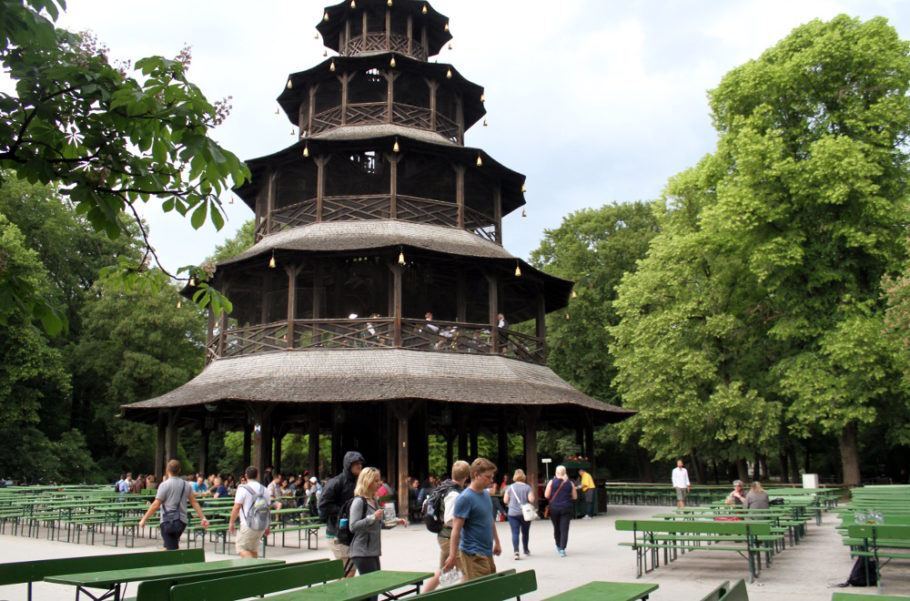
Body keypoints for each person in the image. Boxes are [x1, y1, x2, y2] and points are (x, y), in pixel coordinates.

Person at [349, 467, 407, 601]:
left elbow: (379, 523)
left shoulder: (374, 501)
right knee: (372, 591)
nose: (380, 483)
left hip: (373, 551)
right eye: (376, 480)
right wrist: (372, 517)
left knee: (371, 590)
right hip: (362, 552)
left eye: (379, 480)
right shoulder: (359, 501)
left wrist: (396, 521)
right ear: (367, 482)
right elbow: (353, 526)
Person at [443, 458, 502, 582]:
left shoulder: (486, 494)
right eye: (488, 477)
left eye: (492, 477)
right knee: (483, 591)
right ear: (476, 475)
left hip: (487, 551)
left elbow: (489, 519)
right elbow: (456, 530)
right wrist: (453, 555)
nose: (491, 480)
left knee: (488, 587)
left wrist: (497, 541)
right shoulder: (465, 498)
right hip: (473, 553)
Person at [139, 459, 209, 550]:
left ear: (167, 470)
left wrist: (144, 519)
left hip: (167, 522)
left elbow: (155, 505)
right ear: (179, 470)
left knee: (172, 550)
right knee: (169, 546)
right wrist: (203, 517)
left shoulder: (164, 485)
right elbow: (194, 502)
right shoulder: (186, 485)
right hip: (182, 521)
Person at [319, 451, 365, 578]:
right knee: (347, 572)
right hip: (337, 533)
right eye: (356, 463)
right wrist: (344, 511)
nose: (359, 466)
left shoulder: (358, 483)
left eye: (360, 463)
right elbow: (323, 505)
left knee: (350, 570)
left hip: (350, 534)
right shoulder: (336, 482)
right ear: (348, 465)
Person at [228, 466, 272, 558]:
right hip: (261, 525)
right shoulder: (265, 489)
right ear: (257, 476)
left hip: (248, 524)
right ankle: (255, 570)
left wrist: (231, 522)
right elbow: (268, 509)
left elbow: (236, 507)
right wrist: (267, 526)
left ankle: (256, 568)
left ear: (246, 476)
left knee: (241, 548)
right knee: (252, 550)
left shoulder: (243, 489)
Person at [437, 461, 470, 568]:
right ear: (466, 477)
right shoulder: (453, 494)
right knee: (466, 572)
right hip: (449, 538)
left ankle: (440, 584)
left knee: (443, 574)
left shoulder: (446, 487)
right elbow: (450, 519)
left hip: (445, 537)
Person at [503, 468, 535, 559]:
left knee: (515, 532)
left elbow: (505, 500)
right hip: (525, 514)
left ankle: (516, 552)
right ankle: (526, 549)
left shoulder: (510, 487)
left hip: (512, 514)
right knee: (525, 532)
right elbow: (531, 500)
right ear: (523, 477)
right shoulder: (527, 487)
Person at [545, 464, 577, 557]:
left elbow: (546, 495)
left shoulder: (551, 482)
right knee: (564, 529)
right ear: (565, 472)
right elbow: (575, 497)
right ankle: (562, 549)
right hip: (566, 508)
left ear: (556, 472)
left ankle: (558, 545)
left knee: (556, 528)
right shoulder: (570, 483)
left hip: (554, 508)